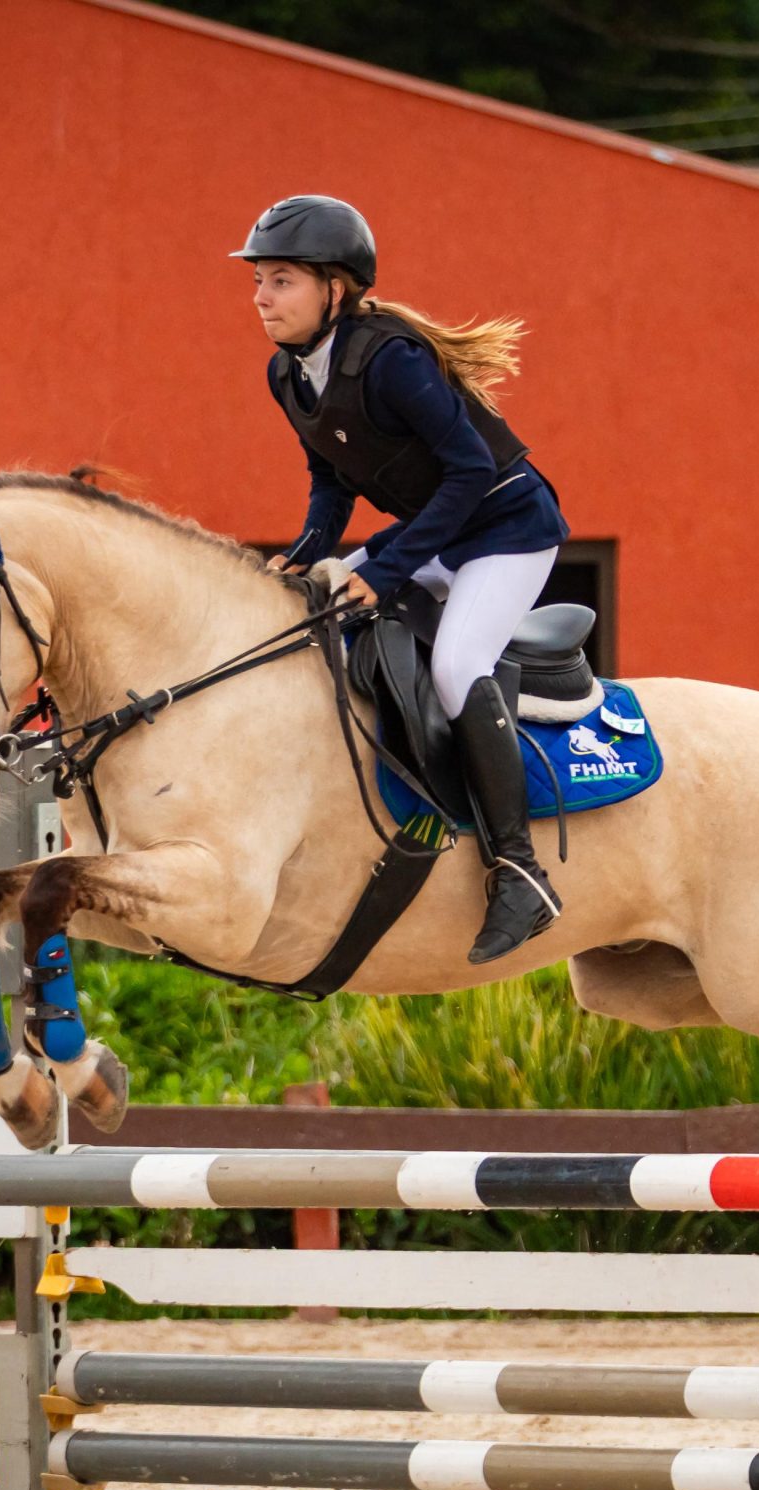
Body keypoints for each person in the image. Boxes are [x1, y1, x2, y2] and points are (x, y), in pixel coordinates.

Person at [236, 194, 571, 964]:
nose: (260, 297)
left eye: (280, 280)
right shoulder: (288, 373)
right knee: (303, 612)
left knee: (457, 664)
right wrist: (306, 552)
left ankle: (520, 869)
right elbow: (330, 479)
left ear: (336, 288)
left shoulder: (391, 358)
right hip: (436, 533)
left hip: (506, 529)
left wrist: (383, 570)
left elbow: (471, 469)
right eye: (259, 280)